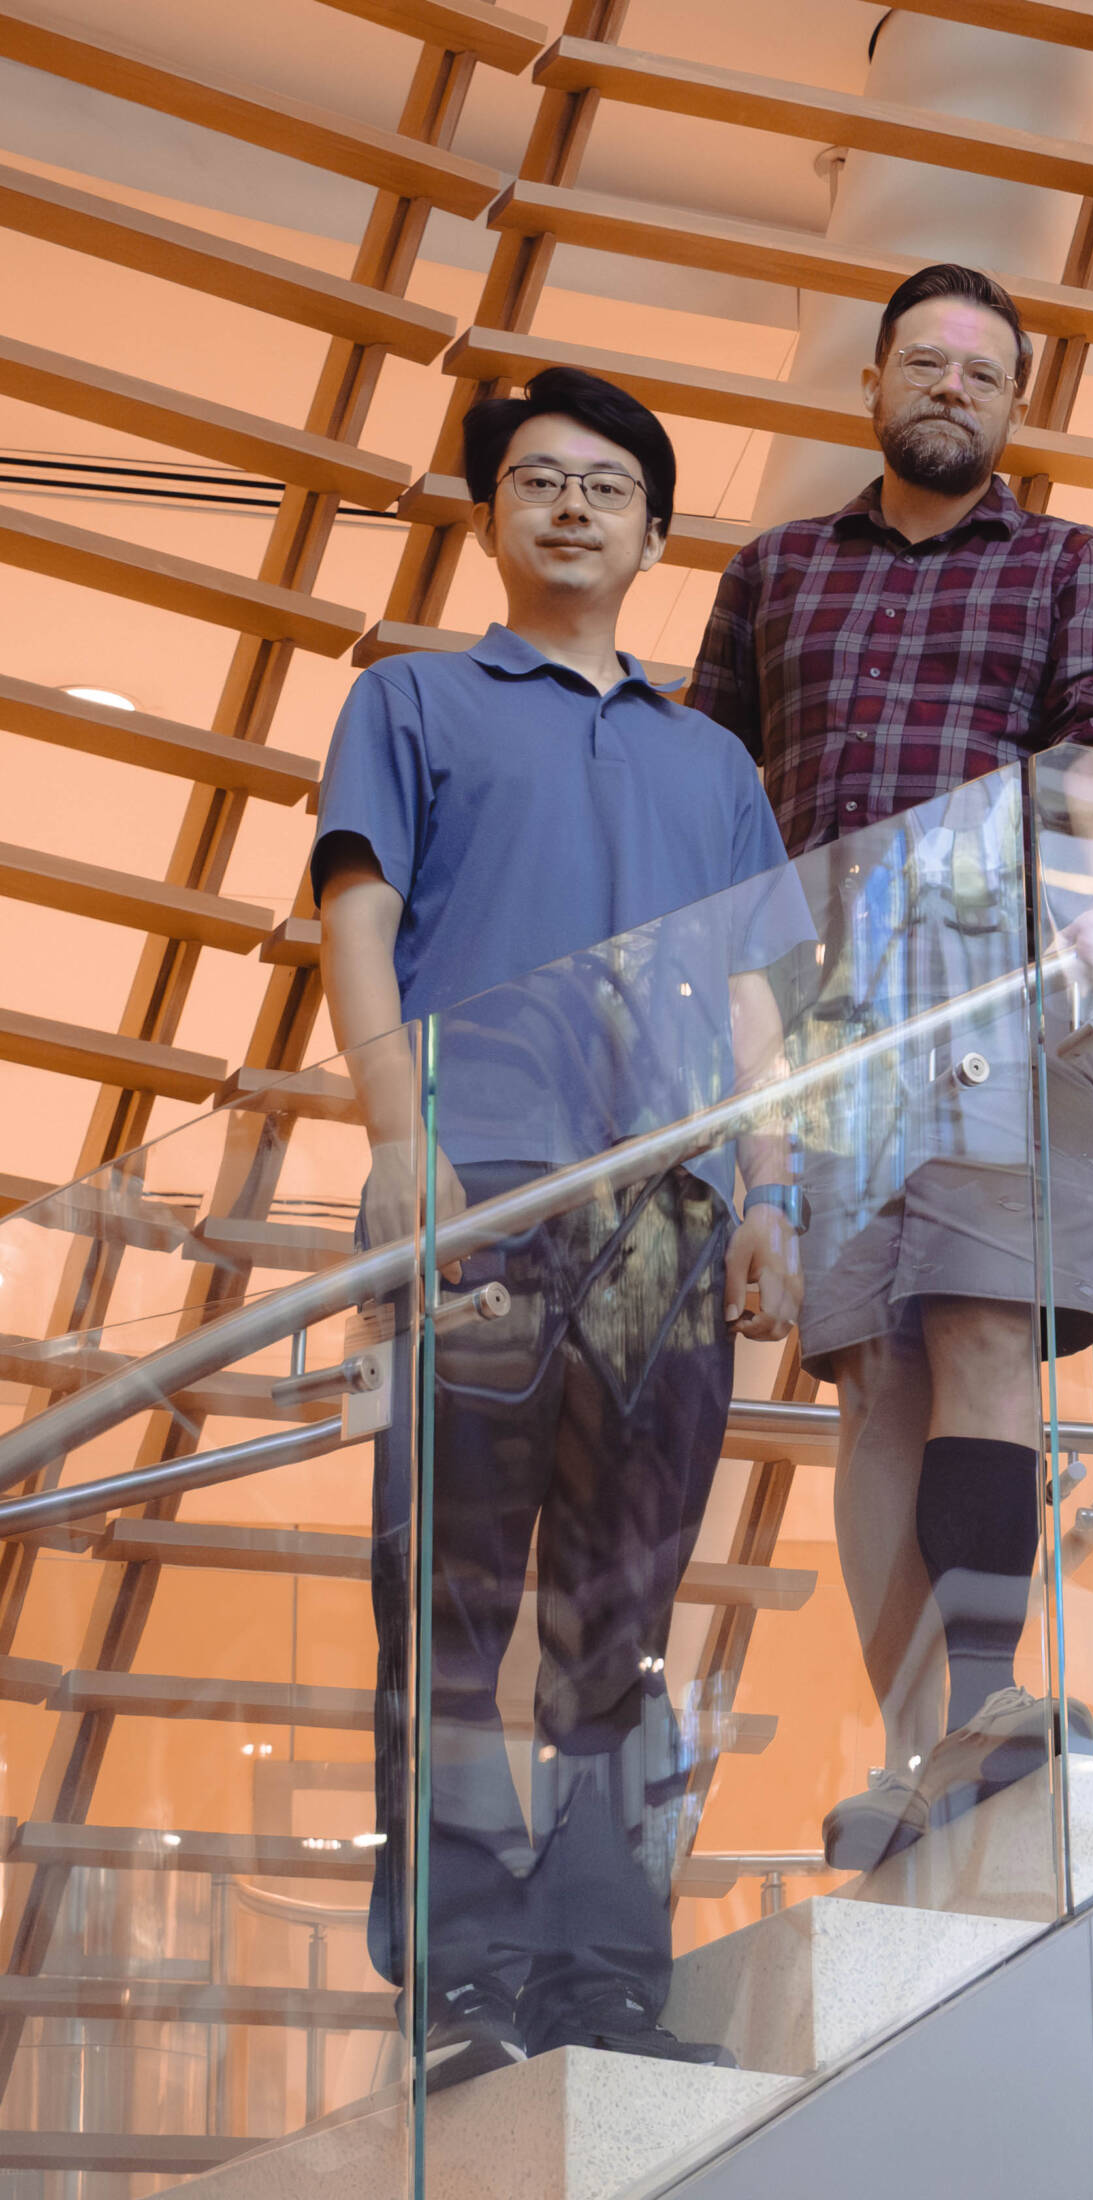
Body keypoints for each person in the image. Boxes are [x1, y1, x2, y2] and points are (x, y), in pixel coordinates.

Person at [316, 367, 804, 2082]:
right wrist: (397, 1136)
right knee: (447, 1590)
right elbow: (361, 925)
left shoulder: (713, 760)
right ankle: (457, 1984)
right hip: (480, 1190)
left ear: (658, 532)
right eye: (540, 480)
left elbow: (760, 1005)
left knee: (620, 1611)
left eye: (610, 486)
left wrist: (769, 1190)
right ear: (490, 515)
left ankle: (603, 1972)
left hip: (668, 1206)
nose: (576, 507)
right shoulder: (414, 701)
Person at [688, 263, 1093, 1863]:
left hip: (996, 985)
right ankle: (921, 1749)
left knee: (980, 1330)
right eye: (926, 363)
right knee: (866, 1372)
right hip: (821, 1001)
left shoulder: (1069, 564)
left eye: (986, 374)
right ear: (872, 384)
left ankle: (983, 1698)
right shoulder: (775, 571)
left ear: (1012, 407)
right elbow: (715, 796)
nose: (953, 388)